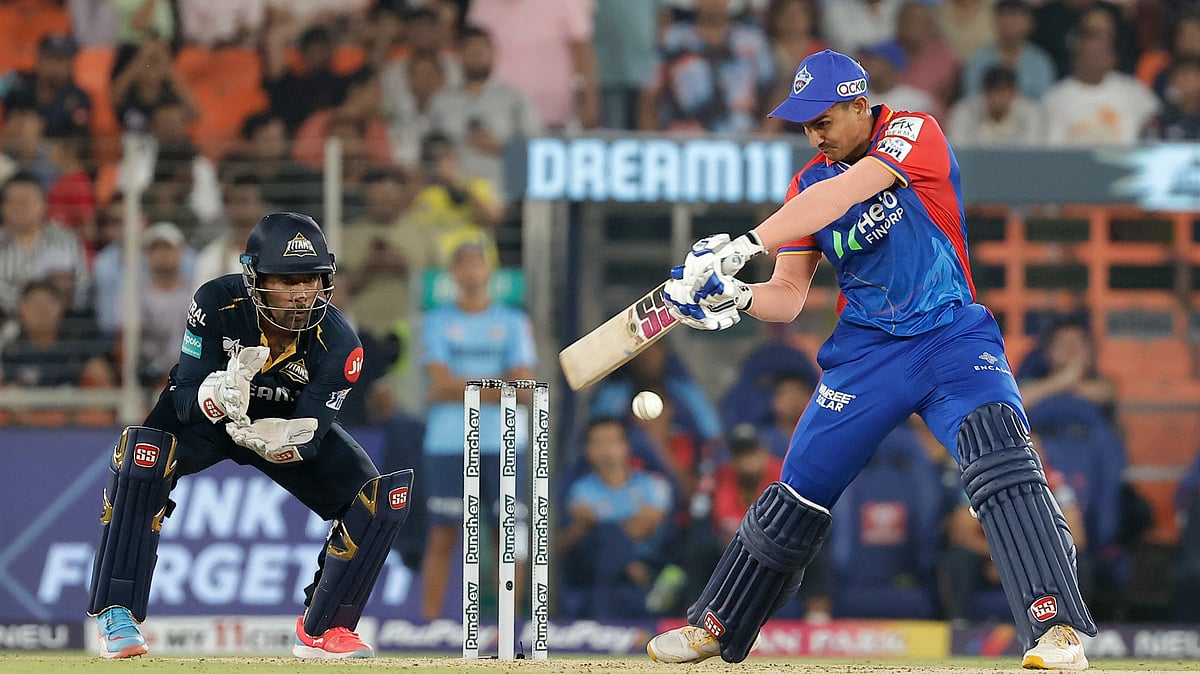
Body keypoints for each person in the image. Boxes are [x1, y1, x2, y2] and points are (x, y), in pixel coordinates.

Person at [645, 49, 1095, 670]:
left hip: (950, 339)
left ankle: (1056, 631)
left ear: (860, 105)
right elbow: (789, 297)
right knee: (798, 491)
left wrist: (742, 245)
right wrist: (740, 294)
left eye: (824, 119)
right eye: (805, 124)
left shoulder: (915, 133)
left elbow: (851, 191)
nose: (815, 135)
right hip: (865, 358)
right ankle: (716, 626)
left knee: (1000, 457)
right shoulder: (806, 183)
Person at [87, 212, 414, 659]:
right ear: (254, 275)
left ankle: (325, 629)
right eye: (286, 279)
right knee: (143, 457)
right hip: (209, 421)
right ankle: (117, 612)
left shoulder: (341, 346)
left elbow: (312, 437)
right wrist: (211, 395)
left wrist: (286, 442)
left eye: (312, 279)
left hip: (275, 429)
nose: (302, 294)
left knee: (376, 500)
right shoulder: (216, 302)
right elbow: (181, 393)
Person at [416, 240, 536, 621]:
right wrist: (498, 386)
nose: (471, 272)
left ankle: (508, 625)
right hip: (450, 442)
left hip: (505, 440)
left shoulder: (513, 321)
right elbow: (438, 383)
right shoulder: (436, 321)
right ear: (453, 274)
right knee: (442, 534)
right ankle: (429, 623)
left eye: (477, 264)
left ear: (489, 272)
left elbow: (524, 390)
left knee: (508, 533)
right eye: (463, 265)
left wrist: (463, 387)